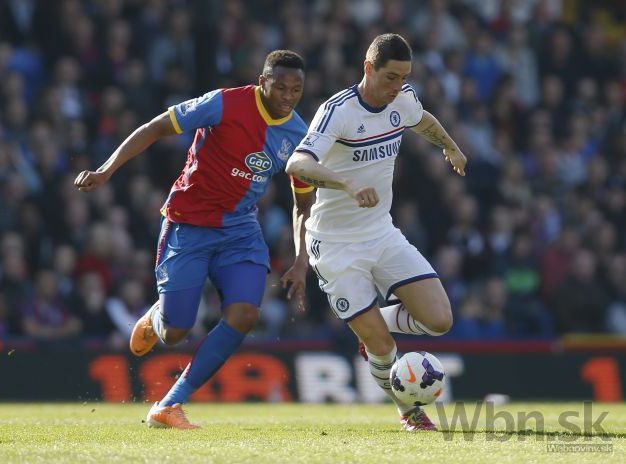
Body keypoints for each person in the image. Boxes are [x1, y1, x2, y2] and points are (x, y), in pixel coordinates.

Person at [74, 50, 312, 429]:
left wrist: (301, 260)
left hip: (240, 230)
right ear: (262, 81)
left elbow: (303, 204)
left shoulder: (299, 135)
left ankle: (169, 405)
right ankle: (157, 317)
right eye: (280, 86)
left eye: (296, 89)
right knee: (175, 332)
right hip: (190, 222)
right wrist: (106, 170)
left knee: (245, 313)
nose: (287, 95)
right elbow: (155, 127)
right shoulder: (224, 103)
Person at [286, 33, 467, 431]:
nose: (397, 86)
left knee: (440, 320)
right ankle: (408, 411)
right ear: (369, 68)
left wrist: (450, 147)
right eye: (390, 77)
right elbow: (297, 165)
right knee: (383, 347)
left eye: (404, 78)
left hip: (381, 233)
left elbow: (424, 120)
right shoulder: (338, 111)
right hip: (334, 245)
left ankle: (367, 322)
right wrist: (347, 184)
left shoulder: (402, 99)